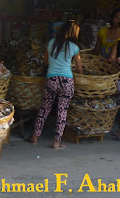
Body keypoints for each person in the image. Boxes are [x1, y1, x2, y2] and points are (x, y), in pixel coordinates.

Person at [28, 20, 82, 149]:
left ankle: (35, 136)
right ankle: (57, 141)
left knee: (45, 107)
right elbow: (80, 69)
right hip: (66, 81)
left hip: (51, 79)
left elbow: (46, 62)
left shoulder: (51, 43)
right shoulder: (74, 48)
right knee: (62, 111)